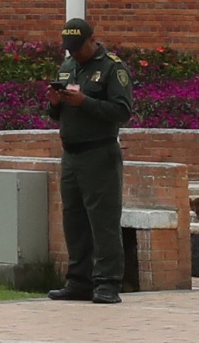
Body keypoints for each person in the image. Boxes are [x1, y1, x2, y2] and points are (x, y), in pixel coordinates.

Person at [42, 17, 134, 303]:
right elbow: (56, 116)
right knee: (74, 219)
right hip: (70, 154)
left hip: (99, 152)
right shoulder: (68, 66)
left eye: (78, 47)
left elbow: (122, 111)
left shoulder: (112, 67)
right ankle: (78, 281)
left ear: (92, 39)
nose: (74, 53)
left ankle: (107, 282)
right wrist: (54, 104)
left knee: (103, 219)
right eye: (69, 48)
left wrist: (86, 102)